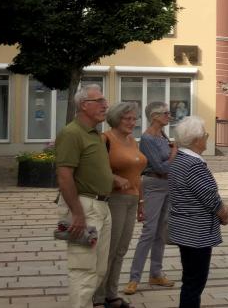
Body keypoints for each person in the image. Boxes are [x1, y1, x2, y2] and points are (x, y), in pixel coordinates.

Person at [55, 84, 114, 308]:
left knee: (98, 268)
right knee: (83, 269)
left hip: (102, 206)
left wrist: (112, 179)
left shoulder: (94, 134)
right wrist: (77, 214)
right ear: (83, 105)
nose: (105, 105)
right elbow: (64, 177)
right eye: (98, 101)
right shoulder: (71, 133)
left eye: (104, 100)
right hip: (85, 207)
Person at [169, 117, 228, 307]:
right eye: (205, 135)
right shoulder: (193, 165)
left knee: (189, 279)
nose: (206, 138)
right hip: (196, 232)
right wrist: (224, 212)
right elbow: (209, 196)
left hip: (184, 229)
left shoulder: (179, 159)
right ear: (196, 140)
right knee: (195, 282)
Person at [94, 102, 146, 308]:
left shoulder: (132, 140)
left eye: (134, 119)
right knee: (109, 249)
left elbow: (138, 174)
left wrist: (141, 201)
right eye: (128, 119)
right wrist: (115, 178)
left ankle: (111, 293)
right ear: (116, 118)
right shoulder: (105, 139)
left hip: (132, 199)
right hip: (114, 199)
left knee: (122, 249)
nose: (132, 123)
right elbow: (96, 169)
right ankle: (98, 296)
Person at [125, 102, 177, 295]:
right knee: (149, 231)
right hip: (154, 185)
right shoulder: (147, 138)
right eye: (165, 113)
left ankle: (156, 272)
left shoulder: (162, 136)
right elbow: (160, 167)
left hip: (167, 185)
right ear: (155, 116)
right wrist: (174, 152)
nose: (169, 116)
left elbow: (166, 165)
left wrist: (171, 153)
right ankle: (134, 277)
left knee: (161, 232)